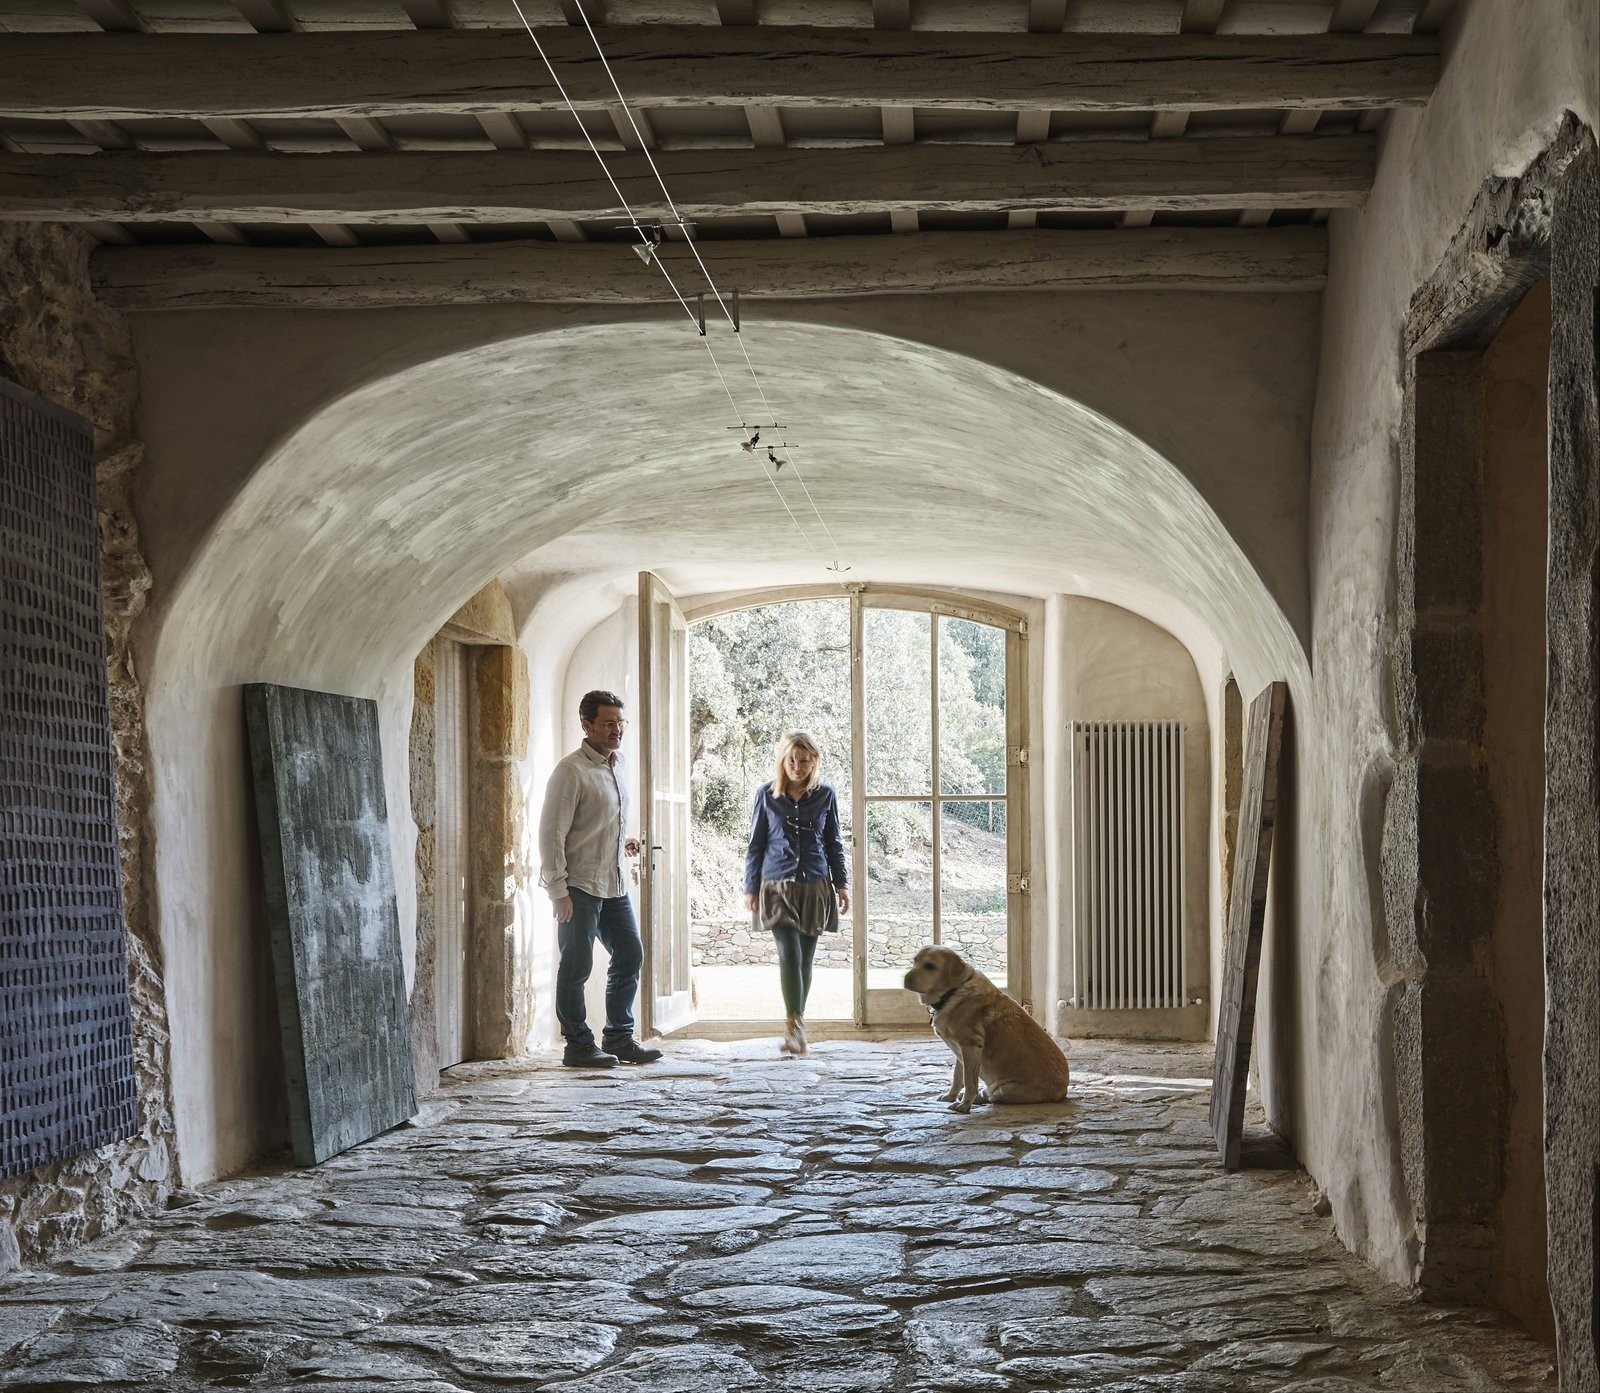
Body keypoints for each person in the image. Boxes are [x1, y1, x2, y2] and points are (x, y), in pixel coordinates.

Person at [538, 689, 663, 1068]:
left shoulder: (616, 764)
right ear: (587, 725)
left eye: (620, 723)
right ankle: (577, 1044)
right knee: (577, 967)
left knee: (630, 953)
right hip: (578, 886)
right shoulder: (570, 771)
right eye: (608, 723)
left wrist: (619, 840)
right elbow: (551, 834)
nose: (616, 730)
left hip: (614, 883)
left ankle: (619, 1038)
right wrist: (558, 891)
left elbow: (597, 820)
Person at [743, 731, 850, 1057]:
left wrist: (842, 884)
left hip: (815, 884)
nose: (797, 767)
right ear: (783, 760)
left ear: (814, 761)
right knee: (788, 953)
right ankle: (794, 1026)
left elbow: (833, 843)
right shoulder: (766, 795)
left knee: (805, 958)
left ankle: (797, 1025)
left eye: (804, 761)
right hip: (775, 885)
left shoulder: (826, 795)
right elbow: (756, 845)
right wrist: (750, 887)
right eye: (791, 760)